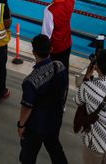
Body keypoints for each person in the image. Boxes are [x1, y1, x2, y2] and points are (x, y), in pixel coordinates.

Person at [17, 34, 69, 164]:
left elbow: (27, 107)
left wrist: (21, 125)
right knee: (55, 149)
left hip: (36, 125)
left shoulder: (31, 81)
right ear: (51, 49)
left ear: (34, 52)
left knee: (27, 156)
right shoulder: (60, 66)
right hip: (55, 119)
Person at [41, 0, 77, 70]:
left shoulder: (49, 10)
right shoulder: (70, 2)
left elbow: (46, 35)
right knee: (64, 71)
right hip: (67, 44)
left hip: (55, 49)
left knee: (54, 73)